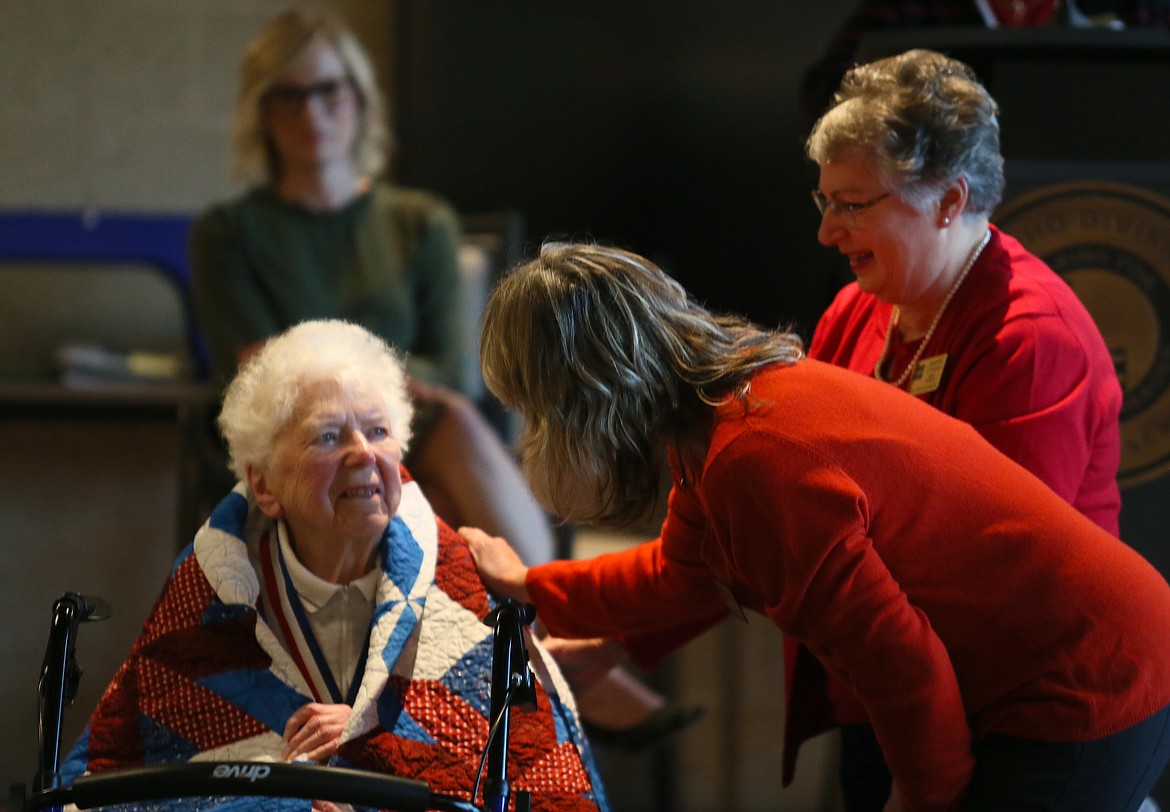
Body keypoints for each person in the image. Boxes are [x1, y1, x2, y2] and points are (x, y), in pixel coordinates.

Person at [462, 241, 1170, 812]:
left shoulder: (753, 461)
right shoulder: (727, 408)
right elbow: (680, 574)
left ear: (579, 402)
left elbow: (896, 661)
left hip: (1086, 677)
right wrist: (532, 585)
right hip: (1081, 653)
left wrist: (923, 799)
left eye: (530, 409)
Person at [189, 4, 685, 749]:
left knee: (444, 426)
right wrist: (362, 383)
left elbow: (454, 367)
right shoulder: (229, 232)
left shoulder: (419, 221)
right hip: (307, 449)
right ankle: (551, 651)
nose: (311, 112)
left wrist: (340, 371)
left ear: (358, 101)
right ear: (262, 111)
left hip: (415, 430)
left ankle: (516, 661)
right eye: (287, 95)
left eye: (329, 91)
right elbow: (257, 365)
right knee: (438, 481)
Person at [59, 319, 609, 811]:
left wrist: (363, 741)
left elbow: (525, 776)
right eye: (328, 436)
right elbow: (140, 772)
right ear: (263, 485)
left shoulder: (459, 582)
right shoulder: (212, 582)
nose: (364, 454)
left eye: (377, 432)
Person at [804, 47, 1129, 808]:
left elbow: (993, 589)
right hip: (897, 682)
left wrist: (926, 775)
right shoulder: (857, 308)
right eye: (822, 201)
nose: (827, 232)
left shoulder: (1031, 337)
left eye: (852, 205)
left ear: (949, 201)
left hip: (1028, 706)